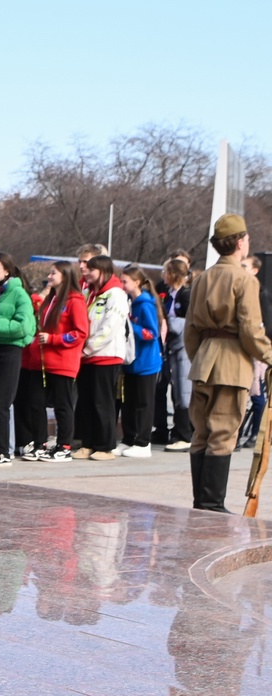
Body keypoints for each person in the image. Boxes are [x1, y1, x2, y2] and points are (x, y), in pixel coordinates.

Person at [184, 214, 272, 512]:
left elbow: (191, 331)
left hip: (204, 358)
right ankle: (211, 505)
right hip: (232, 361)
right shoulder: (245, 279)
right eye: (245, 238)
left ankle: (202, 502)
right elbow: (250, 331)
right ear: (239, 242)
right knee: (223, 434)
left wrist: (200, 359)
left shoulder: (202, 278)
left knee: (201, 434)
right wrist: (270, 356)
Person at [19, 261, 88, 462]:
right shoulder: (51, 299)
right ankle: (40, 442)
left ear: (65, 276)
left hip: (63, 362)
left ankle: (64, 445)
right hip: (42, 361)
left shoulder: (75, 301)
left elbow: (80, 333)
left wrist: (54, 339)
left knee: (62, 405)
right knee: (36, 403)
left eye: (53, 273)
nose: (49, 277)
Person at [0, 252, 36, 467]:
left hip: (10, 352)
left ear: (7, 271)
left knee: (0, 402)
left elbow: (24, 327)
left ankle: (3, 452)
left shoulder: (19, 293)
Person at [73, 256, 129, 461]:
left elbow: (110, 327)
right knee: (86, 401)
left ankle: (105, 445)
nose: (86, 273)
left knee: (101, 401)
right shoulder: (89, 293)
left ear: (103, 271)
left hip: (106, 356)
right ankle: (87, 443)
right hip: (86, 357)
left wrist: (88, 349)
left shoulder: (116, 294)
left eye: (91, 270)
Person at [119, 265, 162, 457]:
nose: (122, 285)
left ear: (136, 282)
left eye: (125, 281)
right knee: (129, 403)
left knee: (144, 403)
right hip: (132, 363)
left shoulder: (145, 304)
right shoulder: (129, 302)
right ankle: (129, 438)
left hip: (146, 363)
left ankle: (144, 442)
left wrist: (130, 327)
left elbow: (151, 333)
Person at [159, 258, 195, 452]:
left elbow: (189, 321)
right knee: (176, 388)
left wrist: (169, 324)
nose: (163, 275)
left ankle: (185, 433)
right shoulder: (169, 295)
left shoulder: (187, 295)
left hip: (183, 347)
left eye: (166, 272)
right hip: (172, 346)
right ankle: (179, 431)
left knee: (184, 389)